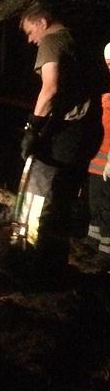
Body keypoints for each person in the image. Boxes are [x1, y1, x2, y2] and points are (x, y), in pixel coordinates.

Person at [17, 0, 102, 278]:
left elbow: (50, 88)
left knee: (42, 196)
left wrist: (33, 126)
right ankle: (54, 264)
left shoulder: (51, 42)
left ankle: (32, 262)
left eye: (31, 32)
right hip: (85, 131)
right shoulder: (74, 39)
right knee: (63, 199)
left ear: (42, 21)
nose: (31, 40)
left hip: (66, 132)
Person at [82, 42, 110, 267]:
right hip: (97, 156)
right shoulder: (105, 89)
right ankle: (92, 241)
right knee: (94, 201)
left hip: (108, 158)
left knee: (106, 204)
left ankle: (106, 252)